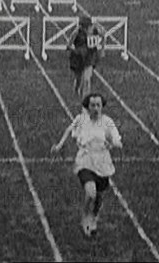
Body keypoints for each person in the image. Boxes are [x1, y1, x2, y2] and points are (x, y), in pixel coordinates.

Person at [51, 93, 122, 237]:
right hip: (85, 161)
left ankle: (94, 217)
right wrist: (59, 146)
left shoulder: (108, 122)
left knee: (99, 197)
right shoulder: (81, 119)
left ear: (102, 107)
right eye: (92, 105)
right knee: (91, 193)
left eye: (98, 105)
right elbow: (69, 129)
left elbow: (118, 141)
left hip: (102, 163)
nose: (95, 108)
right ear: (87, 107)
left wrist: (113, 142)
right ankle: (85, 217)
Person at [67, 16, 105, 99]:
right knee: (79, 78)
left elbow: (103, 35)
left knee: (87, 79)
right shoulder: (77, 32)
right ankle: (77, 88)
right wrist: (73, 49)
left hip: (89, 58)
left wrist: (102, 49)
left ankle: (86, 99)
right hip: (78, 58)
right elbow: (69, 43)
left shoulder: (96, 30)